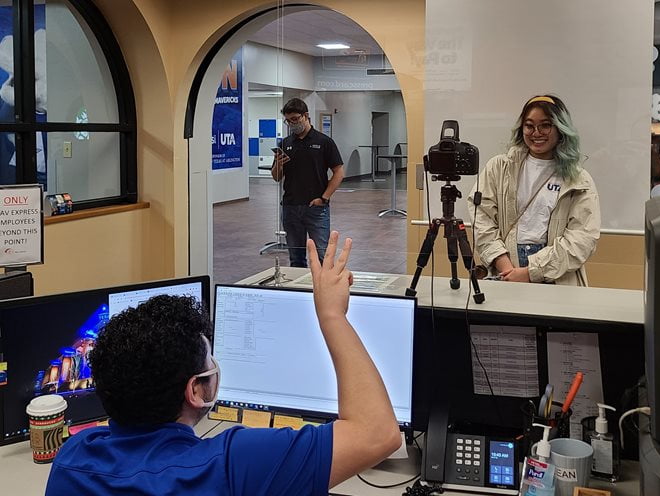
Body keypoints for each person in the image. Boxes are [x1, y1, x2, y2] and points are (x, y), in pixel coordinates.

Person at [46, 232, 401, 495]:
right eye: (208, 358)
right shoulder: (234, 463)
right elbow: (377, 434)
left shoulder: (72, 457)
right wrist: (332, 316)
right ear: (196, 391)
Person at [468, 95, 600, 286]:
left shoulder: (578, 179)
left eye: (545, 125)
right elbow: (481, 217)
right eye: (529, 126)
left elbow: (582, 238)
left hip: (556, 274)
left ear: (560, 129)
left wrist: (531, 272)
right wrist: (505, 265)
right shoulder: (499, 167)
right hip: (505, 268)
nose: (536, 133)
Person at [272, 98, 344, 267]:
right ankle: (299, 291)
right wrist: (278, 164)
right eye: (288, 121)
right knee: (296, 258)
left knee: (322, 256)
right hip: (290, 207)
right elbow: (276, 176)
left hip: (316, 208)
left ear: (305, 116)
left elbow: (338, 172)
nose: (292, 123)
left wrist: (324, 198)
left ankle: (323, 289)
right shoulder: (286, 143)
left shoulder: (324, 142)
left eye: (295, 119)